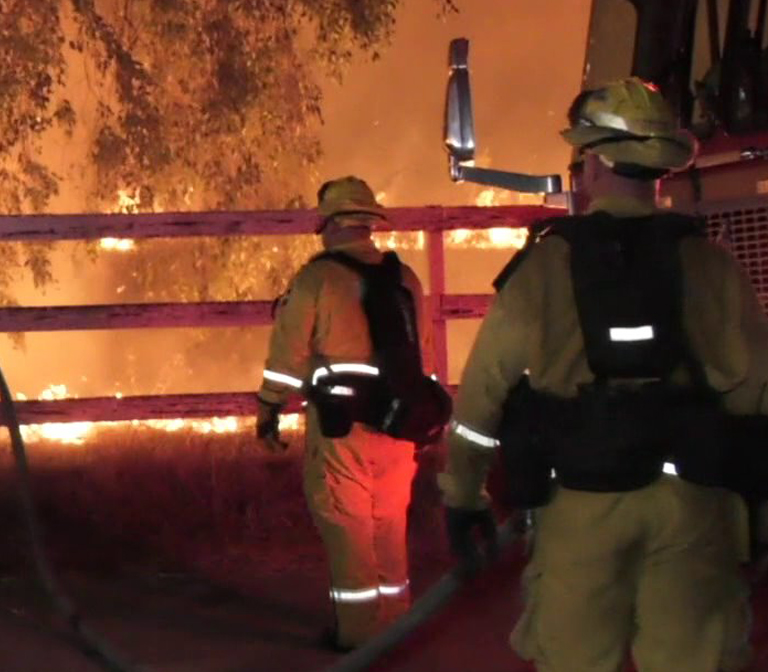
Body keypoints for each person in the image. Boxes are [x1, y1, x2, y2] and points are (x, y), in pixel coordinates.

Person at [441, 77, 766, 672]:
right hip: (692, 504)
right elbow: (755, 392)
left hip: (581, 503)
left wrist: (463, 495)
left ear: (591, 164)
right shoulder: (712, 264)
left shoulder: (545, 265)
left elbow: (482, 398)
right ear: (660, 169)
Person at [255, 175, 439, 652]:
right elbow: (423, 353)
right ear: (369, 222)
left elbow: (288, 353)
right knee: (389, 524)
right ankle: (396, 626)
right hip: (398, 423)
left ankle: (358, 638)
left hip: (343, 428)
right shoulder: (406, 279)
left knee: (348, 526)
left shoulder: (317, 278)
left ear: (333, 223)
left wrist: (270, 405)